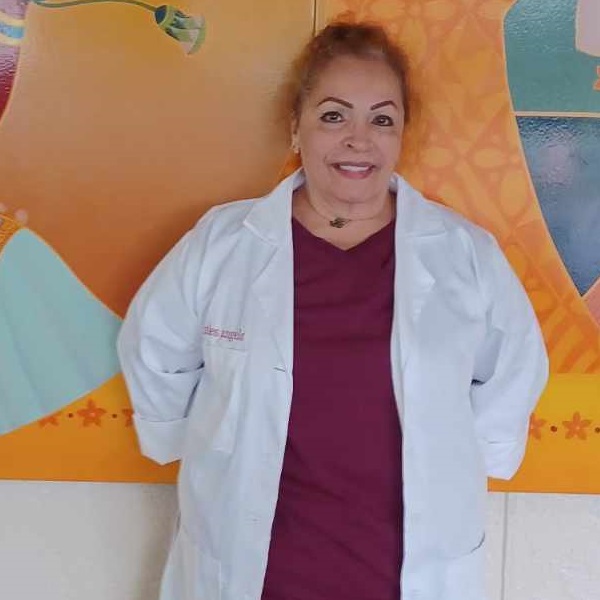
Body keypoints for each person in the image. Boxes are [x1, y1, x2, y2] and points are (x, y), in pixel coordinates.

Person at [117, 21, 549, 600]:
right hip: (257, 572)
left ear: (402, 135)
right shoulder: (224, 243)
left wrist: (465, 455)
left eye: (382, 119)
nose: (358, 139)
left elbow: (513, 369)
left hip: (408, 572)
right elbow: (155, 350)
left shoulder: (463, 254)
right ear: (296, 125)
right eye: (333, 115)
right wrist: (182, 436)